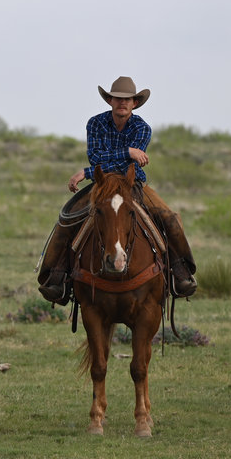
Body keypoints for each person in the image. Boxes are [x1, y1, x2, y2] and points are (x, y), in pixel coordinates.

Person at [37, 76, 197, 304]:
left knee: (168, 217)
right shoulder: (95, 123)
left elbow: (124, 166)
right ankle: (56, 276)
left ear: (134, 103)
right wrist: (128, 152)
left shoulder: (142, 128)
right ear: (110, 101)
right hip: (102, 185)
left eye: (127, 99)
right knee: (68, 217)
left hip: (133, 185)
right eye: (118, 98)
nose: (122, 102)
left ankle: (181, 272)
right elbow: (96, 158)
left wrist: (88, 172)